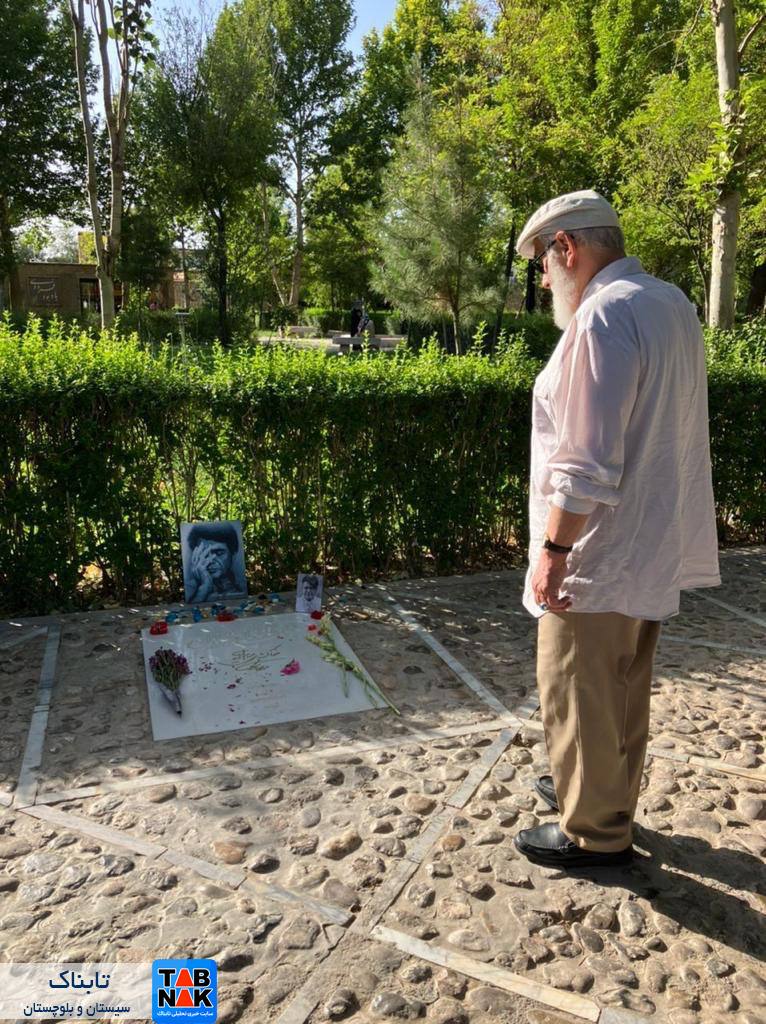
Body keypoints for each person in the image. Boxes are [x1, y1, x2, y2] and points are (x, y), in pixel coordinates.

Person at [512, 189, 720, 868]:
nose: (546, 282)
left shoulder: (602, 316)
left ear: (567, 247)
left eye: (544, 265)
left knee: (577, 687)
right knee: (622, 689)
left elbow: (586, 460)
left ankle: (594, 832)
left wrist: (553, 550)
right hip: (650, 540)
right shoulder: (669, 302)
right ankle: (597, 789)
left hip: (597, 554)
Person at [186, 522, 246, 603]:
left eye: (219, 553)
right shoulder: (189, 588)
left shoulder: (241, 586)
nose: (210, 561)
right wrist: (204, 587)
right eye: (203, 554)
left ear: (233, 553)